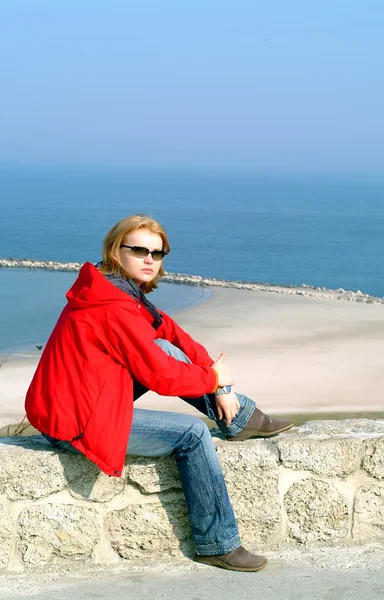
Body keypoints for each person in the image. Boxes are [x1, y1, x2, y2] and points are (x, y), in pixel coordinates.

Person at [25, 214, 294, 572]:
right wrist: (214, 382)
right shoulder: (112, 308)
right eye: (138, 250)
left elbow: (171, 334)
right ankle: (218, 544)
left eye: (158, 252)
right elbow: (162, 378)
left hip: (85, 400)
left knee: (166, 348)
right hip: (75, 421)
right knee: (193, 433)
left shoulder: (117, 292)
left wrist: (220, 380)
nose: (150, 259)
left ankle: (240, 418)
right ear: (115, 252)